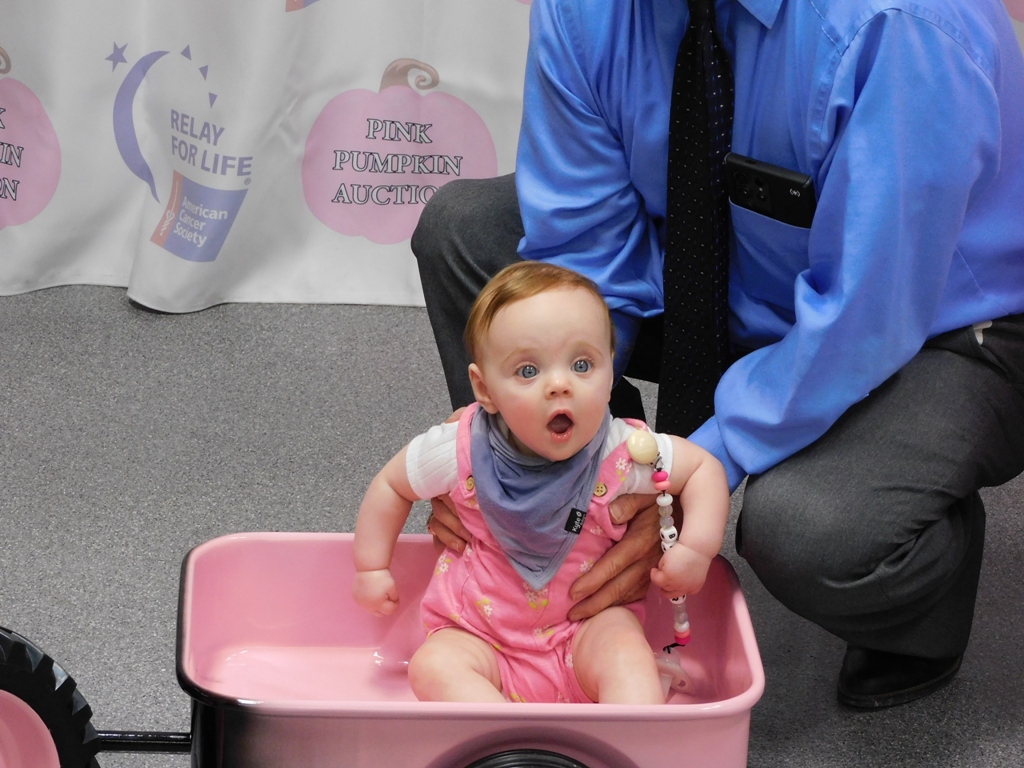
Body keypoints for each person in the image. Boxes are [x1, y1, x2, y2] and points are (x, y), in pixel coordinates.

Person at [412, 0, 1024, 709]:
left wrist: (685, 473)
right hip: (726, 270)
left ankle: (922, 606)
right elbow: (581, 251)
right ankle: (581, 539)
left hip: (940, 319)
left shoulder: (902, 26)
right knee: (467, 234)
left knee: (808, 531)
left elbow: (867, 316)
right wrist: (568, 469)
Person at [352, 261, 730, 704]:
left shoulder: (624, 452)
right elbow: (393, 484)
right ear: (484, 389)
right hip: (479, 633)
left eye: (582, 364)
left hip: (589, 627)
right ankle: (503, 732)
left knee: (628, 660)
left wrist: (696, 549)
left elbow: (703, 470)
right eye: (528, 371)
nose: (559, 385)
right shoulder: (459, 448)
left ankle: (623, 734)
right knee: (434, 666)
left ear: (610, 373)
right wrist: (371, 567)